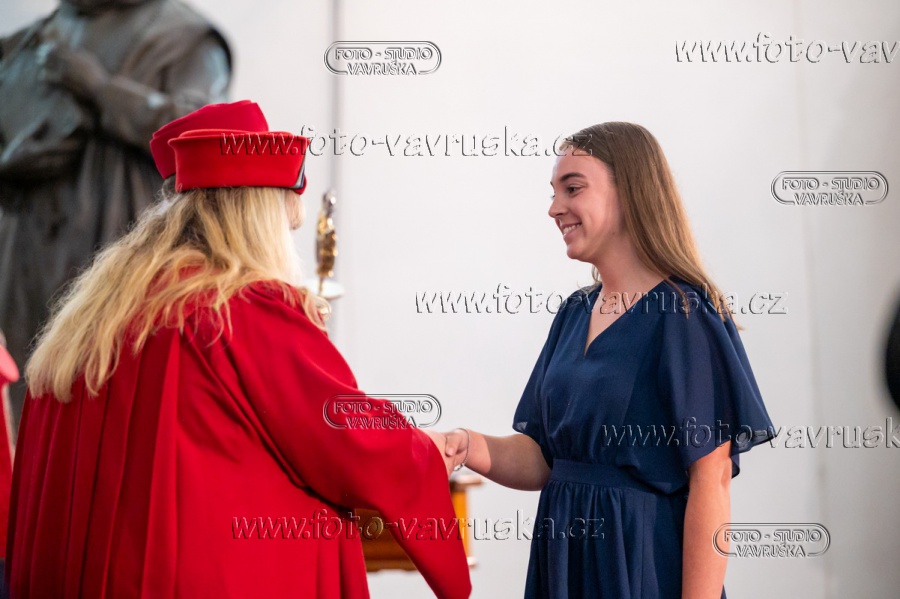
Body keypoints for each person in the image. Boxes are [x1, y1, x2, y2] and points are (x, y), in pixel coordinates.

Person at [6, 104, 472, 599]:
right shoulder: (237, 309)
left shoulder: (93, 317)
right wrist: (424, 451)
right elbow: (342, 432)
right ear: (259, 217)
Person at [434, 122, 774, 598]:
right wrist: (465, 444)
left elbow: (711, 479)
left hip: (640, 565)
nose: (554, 208)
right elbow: (544, 458)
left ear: (630, 192)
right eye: (554, 192)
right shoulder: (573, 313)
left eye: (572, 188)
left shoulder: (683, 314)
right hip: (564, 562)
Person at [0, 0, 233, 433]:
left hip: (118, 257)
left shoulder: (183, 37)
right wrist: (10, 162)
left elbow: (204, 139)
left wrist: (101, 89)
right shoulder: (33, 38)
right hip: (22, 256)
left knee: (105, 419)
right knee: (20, 413)